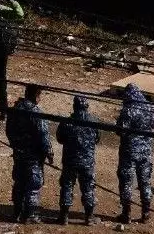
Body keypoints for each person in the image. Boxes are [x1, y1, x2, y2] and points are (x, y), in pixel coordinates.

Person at [6, 84, 52, 224]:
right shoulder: (36, 112)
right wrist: (49, 153)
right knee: (33, 183)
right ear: (36, 96)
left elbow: (9, 130)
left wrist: (15, 145)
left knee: (19, 182)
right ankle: (30, 215)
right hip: (33, 155)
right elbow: (43, 135)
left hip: (19, 153)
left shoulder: (15, 109)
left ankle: (17, 212)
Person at [116, 83, 154, 224]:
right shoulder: (151, 107)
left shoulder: (128, 110)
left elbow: (120, 130)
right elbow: (153, 125)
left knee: (126, 182)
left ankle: (126, 214)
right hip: (146, 151)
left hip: (129, 152)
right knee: (145, 182)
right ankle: (146, 213)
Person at [57, 95, 99, 226]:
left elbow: (60, 139)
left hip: (70, 161)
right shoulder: (93, 122)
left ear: (74, 106)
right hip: (87, 162)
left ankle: (64, 217)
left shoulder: (66, 122)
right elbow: (97, 139)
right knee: (88, 188)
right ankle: (89, 218)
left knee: (67, 187)